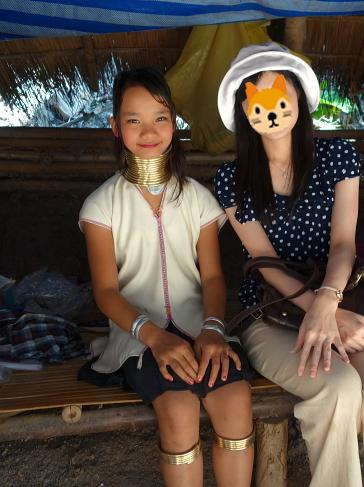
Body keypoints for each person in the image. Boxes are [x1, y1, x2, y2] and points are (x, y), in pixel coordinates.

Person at [214, 42, 364, 487]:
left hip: (341, 299)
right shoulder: (231, 180)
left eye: (280, 95)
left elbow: (342, 244)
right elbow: (265, 264)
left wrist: (330, 305)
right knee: (339, 388)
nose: (271, 110)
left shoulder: (338, 158)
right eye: (257, 101)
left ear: (298, 96)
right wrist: (322, 312)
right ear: (243, 109)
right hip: (271, 314)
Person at [79, 68, 253, 487]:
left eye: (160, 118)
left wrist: (213, 329)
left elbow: (213, 278)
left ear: (174, 123)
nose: (149, 131)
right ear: (115, 127)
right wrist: (155, 337)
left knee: (235, 398)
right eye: (133, 120)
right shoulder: (101, 206)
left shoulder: (198, 199)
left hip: (202, 328)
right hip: (138, 336)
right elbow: (106, 292)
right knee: (178, 409)